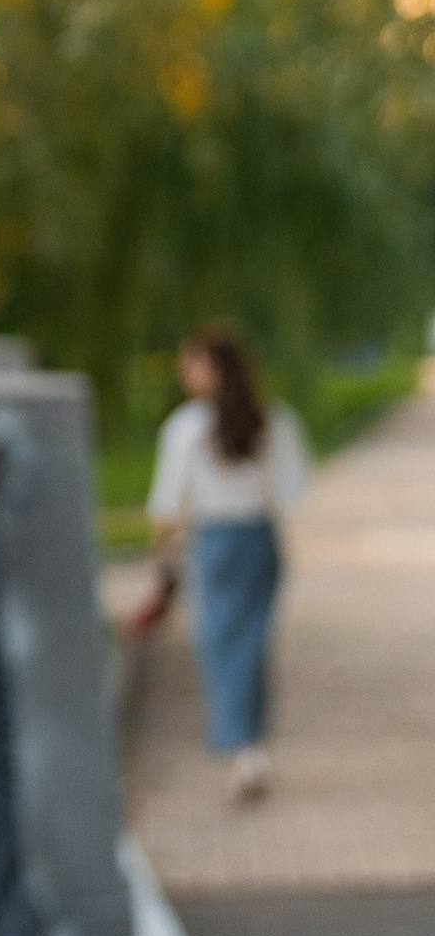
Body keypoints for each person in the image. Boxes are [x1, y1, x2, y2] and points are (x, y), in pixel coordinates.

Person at [148, 322, 309, 801]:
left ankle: (240, 745)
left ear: (211, 369)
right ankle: (253, 749)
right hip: (260, 540)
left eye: (190, 363)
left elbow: (167, 505)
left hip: (213, 544)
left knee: (219, 646)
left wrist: (162, 558)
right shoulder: (274, 420)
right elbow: (291, 492)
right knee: (253, 645)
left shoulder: (185, 428)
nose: (184, 373)